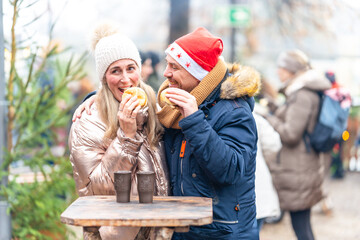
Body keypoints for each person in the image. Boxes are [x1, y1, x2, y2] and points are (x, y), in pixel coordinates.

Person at [73, 27, 261, 239]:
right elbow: (94, 190)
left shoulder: (231, 111)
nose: (166, 73)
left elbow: (231, 171)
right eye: (114, 71)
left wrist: (194, 121)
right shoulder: (168, 108)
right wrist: (97, 98)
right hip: (168, 230)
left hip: (221, 230)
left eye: (174, 66)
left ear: (197, 72)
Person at [68, 22, 169, 240]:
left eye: (130, 68)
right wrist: (126, 136)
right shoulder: (87, 121)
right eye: (115, 71)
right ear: (104, 78)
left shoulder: (155, 107)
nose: (125, 79)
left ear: (140, 70)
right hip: (115, 234)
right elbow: (94, 193)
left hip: (160, 232)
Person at [264, 49, 332, 240]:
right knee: (303, 225)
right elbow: (294, 118)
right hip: (302, 165)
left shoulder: (302, 93)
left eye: (281, 67)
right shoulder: (302, 91)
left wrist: (268, 118)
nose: (278, 71)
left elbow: (291, 133)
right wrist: (273, 107)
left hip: (299, 167)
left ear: (292, 70)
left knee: (301, 227)